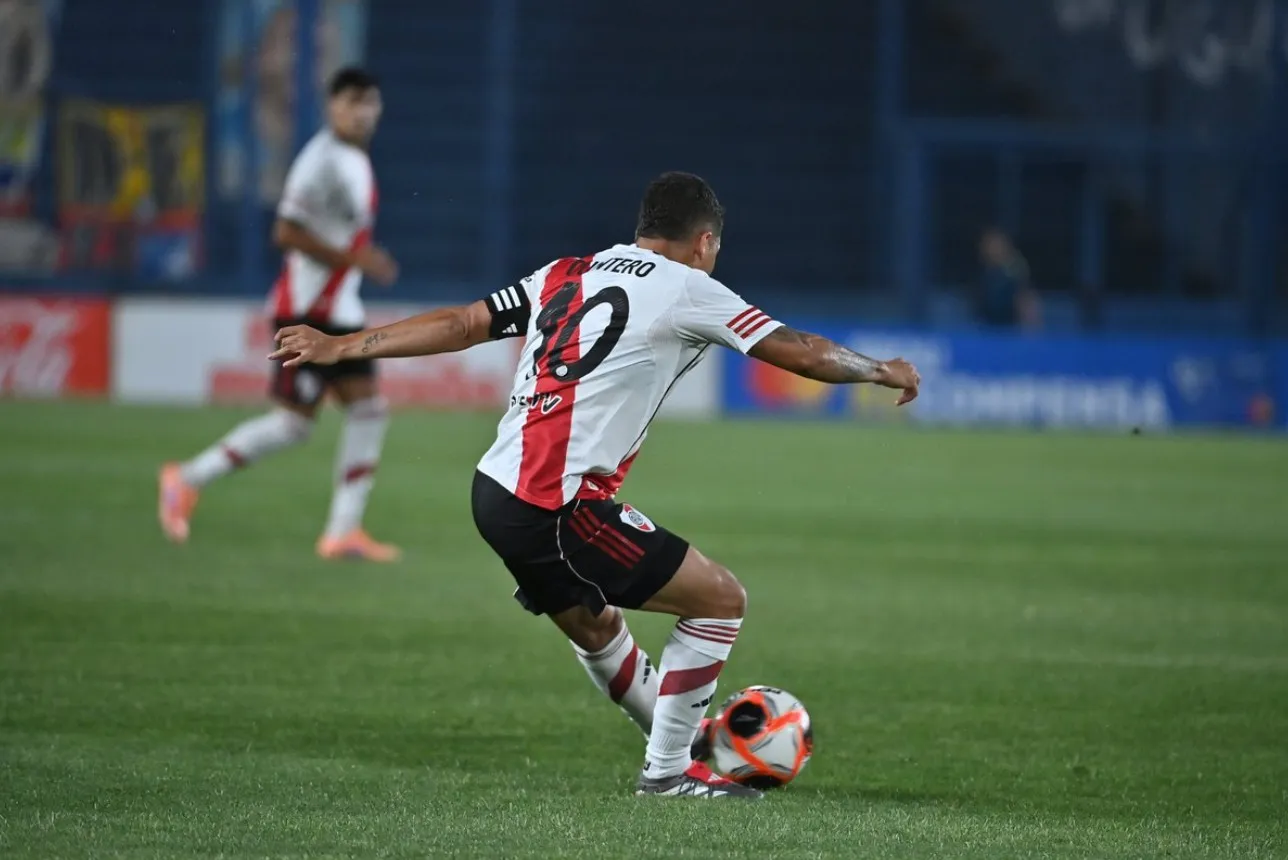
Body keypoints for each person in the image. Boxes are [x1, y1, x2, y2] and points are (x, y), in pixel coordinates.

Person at [270, 172, 921, 798]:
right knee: (720, 600)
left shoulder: (566, 272)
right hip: (557, 502)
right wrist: (877, 369)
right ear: (704, 243)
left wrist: (344, 345)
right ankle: (668, 775)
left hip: (495, 489)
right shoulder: (689, 288)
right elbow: (801, 350)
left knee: (596, 627)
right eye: (716, 248)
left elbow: (465, 323)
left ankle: (683, 749)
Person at [159, 67, 402, 562]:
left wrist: (353, 259)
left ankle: (342, 532)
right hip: (308, 311)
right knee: (303, 422)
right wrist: (354, 259)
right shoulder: (320, 161)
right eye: (354, 100)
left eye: (371, 101)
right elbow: (285, 233)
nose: (364, 111)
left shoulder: (353, 159)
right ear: (332, 105)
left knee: (364, 410)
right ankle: (185, 479)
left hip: (337, 309)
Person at [977, 227, 1040, 330]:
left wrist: (1030, 333)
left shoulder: (1016, 274)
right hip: (987, 332)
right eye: (988, 245)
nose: (991, 250)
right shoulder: (985, 275)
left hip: (1010, 334)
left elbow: (1028, 307)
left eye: (996, 245)